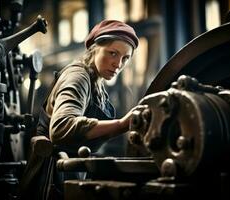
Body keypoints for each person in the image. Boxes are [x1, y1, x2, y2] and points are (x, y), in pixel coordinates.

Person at [19, 19, 142, 200]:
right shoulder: (78, 77)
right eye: (113, 53)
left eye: (125, 58)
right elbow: (61, 127)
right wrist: (121, 124)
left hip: (70, 172)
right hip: (49, 178)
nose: (118, 64)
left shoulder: (97, 85)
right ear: (94, 48)